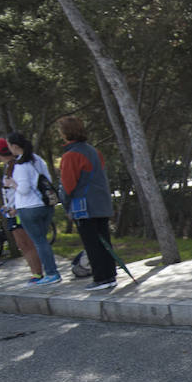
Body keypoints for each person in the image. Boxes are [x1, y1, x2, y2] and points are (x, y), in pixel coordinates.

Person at [56, 116, 117, 290]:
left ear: (65, 133)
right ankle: (110, 275)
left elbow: (68, 185)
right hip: (101, 204)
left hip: (84, 206)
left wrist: (67, 206)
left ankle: (100, 278)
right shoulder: (93, 151)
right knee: (104, 241)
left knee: (92, 244)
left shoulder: (70, 155)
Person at [1, 132, 61, 285]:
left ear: (15, 147)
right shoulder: (37, 159)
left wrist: (12, 184)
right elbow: (47, 179)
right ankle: (52, 271)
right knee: (43, 241)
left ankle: (52, 273)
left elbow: (24, 189)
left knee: (39, 242)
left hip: (29, 207)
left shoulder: (21, 165)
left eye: (9, 146)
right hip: (45, 204)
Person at [0, 138, 43, 283]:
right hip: (11, 210)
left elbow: (20, 188)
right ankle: (35, 272)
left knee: (26, 243)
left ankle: (38, 273)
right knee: (22, 244)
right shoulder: (8, 166)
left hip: (19, 210)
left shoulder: (15, 166)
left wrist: (13, 206)